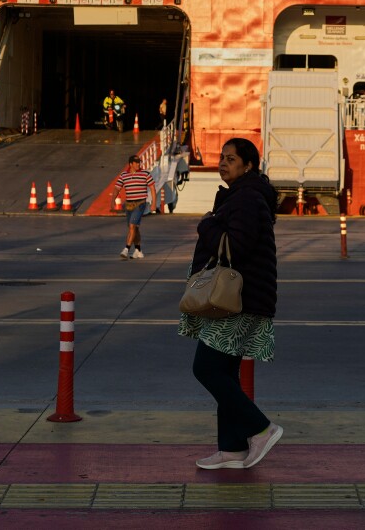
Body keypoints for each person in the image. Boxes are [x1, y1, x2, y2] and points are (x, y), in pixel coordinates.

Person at [179, 137, 283, 470]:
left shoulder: (247, 198)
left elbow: (235, 246)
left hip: (239, 300)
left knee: (206, 369)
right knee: (224, 372)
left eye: (232, 159)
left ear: (248, 166)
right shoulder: (243, 195)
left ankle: (261, 429)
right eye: (222, 157)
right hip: (242, 298)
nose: (223, 163)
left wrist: (206, 224)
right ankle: (232, 448)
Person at [109, 155, 159, 260]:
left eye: (139, 162)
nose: (138, 164)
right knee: (134, 228)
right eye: (136, 162)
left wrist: (154, 203)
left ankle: (126, 249)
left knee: (132, 226)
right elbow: (117, 188)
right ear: (131, 164)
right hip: (129, 205)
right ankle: (138, 250)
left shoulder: (145, 174)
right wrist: (112, 201)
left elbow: (152, 188)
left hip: (140, 203)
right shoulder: (124, 175)